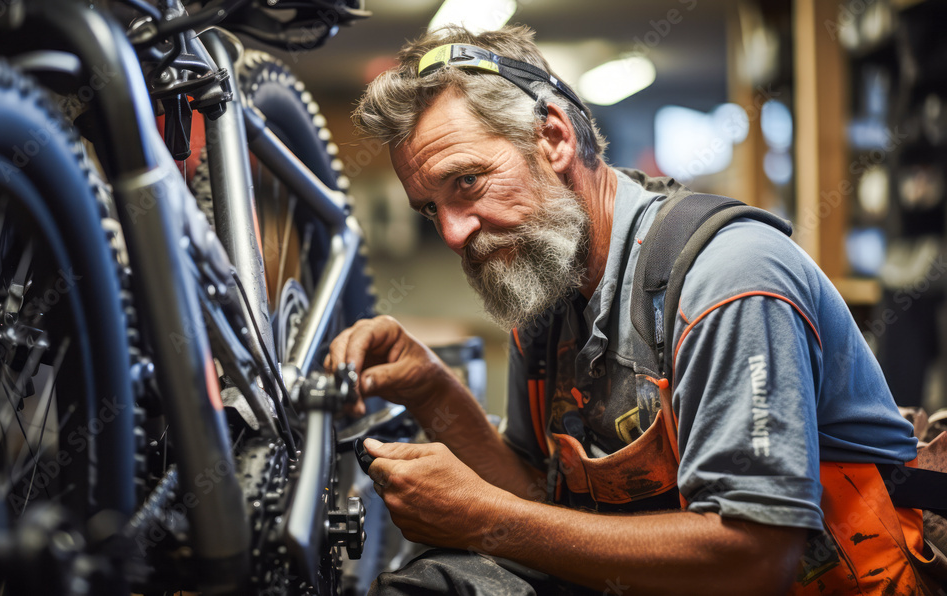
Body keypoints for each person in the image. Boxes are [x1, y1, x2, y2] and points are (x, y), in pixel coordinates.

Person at [326, 25, 932, 595]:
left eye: (466, 182)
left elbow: (755, 557)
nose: (454, 233)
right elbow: (546, 503)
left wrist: (485, 519)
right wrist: (433, 391)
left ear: (554, 138)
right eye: (431, 209)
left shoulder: (727, 277)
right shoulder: (545, 289)